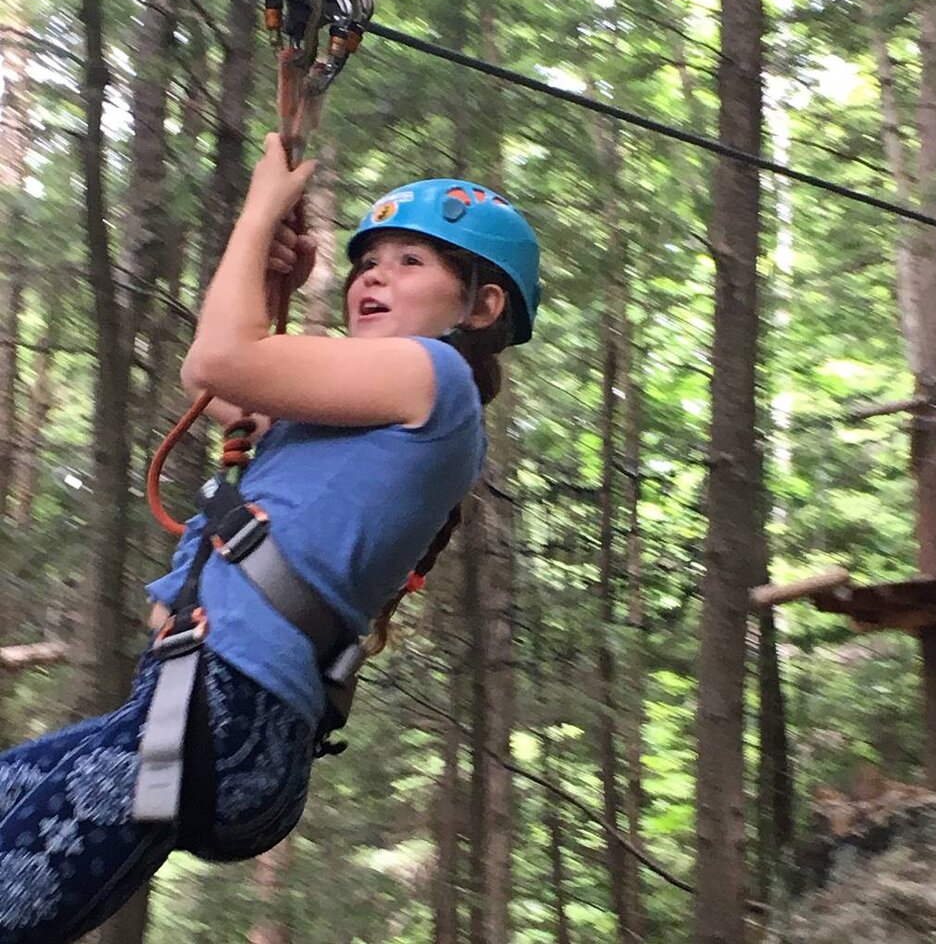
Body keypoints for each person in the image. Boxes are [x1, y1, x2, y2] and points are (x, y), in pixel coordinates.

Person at [0, 133, 541, 942]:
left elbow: (223, 360)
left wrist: (259, 212)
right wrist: (266, 280)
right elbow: (211, 381)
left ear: (481, 306)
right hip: (204, 715)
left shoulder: (434, 379)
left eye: (410, 262)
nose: (374, 275)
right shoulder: (365, 406)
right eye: (368, 262)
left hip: (224, 714)